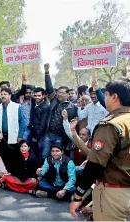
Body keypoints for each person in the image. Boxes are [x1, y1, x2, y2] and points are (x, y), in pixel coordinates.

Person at [70, 77, 130, 221]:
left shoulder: (110, 125)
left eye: (106, 95)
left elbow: (95, 165)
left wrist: (78, 196)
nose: (105, 99)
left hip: (114, 193)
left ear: (114, 96)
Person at [0, 88, 25, 173]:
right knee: (3, 157)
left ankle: (14, 176)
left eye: (5, 94)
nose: (2, 96)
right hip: (1, 136)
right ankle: (4, 177)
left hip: (14, 137)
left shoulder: (17, 106)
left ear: (10, 95)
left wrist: (20, 136)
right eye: (1, 94)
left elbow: (22, 121)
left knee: (13, 157)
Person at [43, 63, 78, 160]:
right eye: (58, 92)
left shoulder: (73, 108)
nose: (59, 94)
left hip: (60, 137)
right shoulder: (54, 100)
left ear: (68, 94)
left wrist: (75, 140)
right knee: (44, 155)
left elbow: (74, 126)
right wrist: (47, 72)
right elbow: (49, 87)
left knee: (57, 157)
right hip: (48, 134)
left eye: (62, 93)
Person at [29, 87, 49, 160]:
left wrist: (36, 136)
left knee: (40, 153)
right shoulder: (34, 103)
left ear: (43, 96)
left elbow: (42, 124)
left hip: (40, 134)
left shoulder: (45, 107)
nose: (37, 97)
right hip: (33, 131)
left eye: (39, 95)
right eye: (35, 95)